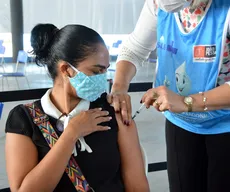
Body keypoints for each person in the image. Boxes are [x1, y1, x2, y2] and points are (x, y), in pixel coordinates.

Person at [5, 24, 149, 192]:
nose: (104, 80)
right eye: (96, 72)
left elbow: (138, 186)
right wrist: (71, 134)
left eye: (106, 71)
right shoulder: (25, 119)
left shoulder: (113, 111)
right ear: (66, 70)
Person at [109, 0, 230, 191]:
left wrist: (186, 102)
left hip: (225, 125)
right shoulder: (158, 4)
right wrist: (119, 87)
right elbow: (134, 49)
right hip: (180, 122)